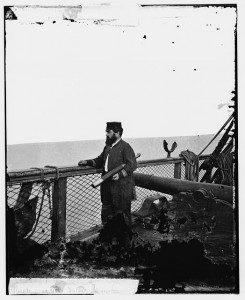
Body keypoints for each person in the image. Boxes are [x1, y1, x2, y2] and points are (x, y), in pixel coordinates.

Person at [78, 122, 137, 229]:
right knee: (106, 213)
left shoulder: (126, 147)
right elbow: (100, 160)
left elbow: (132, 164)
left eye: (109, 132)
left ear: (117, 133)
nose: (107, 135)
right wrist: (87, 162)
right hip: (107, 186)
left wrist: (120, 174)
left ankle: (126, 239)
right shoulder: (108, 147)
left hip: (121, 188)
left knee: (122, 215)